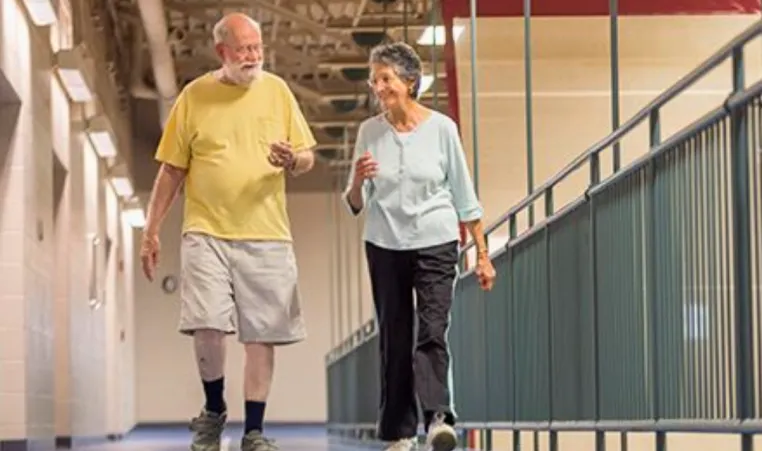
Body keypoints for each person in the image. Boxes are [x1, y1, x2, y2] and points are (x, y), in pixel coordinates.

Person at [138, 12, 316, 451]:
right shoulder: (194, 96)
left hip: (267, 232)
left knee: (261, 334)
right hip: (206, 231)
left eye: (257, 47)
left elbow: (308, 155)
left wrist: (292, 159)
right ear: (222, 51)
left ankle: (254, 431)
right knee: (207, 324)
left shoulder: (277, 91)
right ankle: (214, 410)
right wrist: (151, 230)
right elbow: (171, 170)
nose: (254, 55)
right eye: (244, 49)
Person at [342, 41, 496, 451]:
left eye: (386, 78)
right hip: (384, 242)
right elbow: (355, 203)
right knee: (395, 335)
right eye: (375, 80)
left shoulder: (442, 128)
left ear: (410, 82)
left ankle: (438, 419)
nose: (378, 86)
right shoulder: (369, 132)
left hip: (436, 240)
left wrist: (483, 254)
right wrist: (358, 179)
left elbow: (465, 195)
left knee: (432, 330)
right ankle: (399, 431)